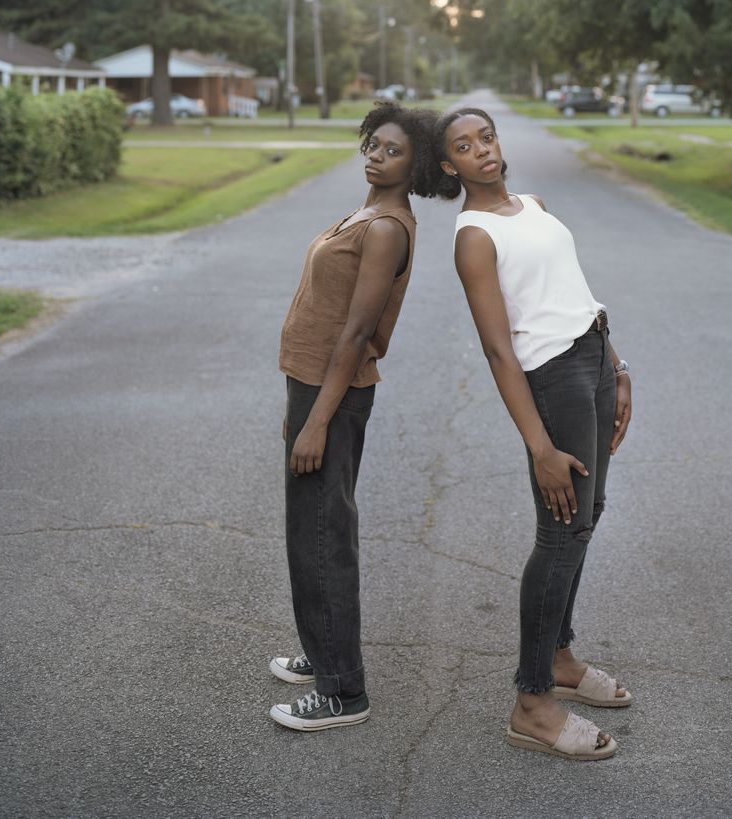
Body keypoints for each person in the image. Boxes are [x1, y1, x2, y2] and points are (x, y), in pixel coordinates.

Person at [431, 107, 634, 760]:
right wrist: (539, 446)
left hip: (594, 357)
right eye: (463, 146)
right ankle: (532, 700)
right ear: (447, 165)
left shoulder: (534, 204)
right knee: (563, 528)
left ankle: (562, 655)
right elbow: (498, 351)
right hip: (552, 378)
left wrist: (620, 368)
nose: (481, 151)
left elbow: (575, 286)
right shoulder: (473, 236)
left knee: (590, 510)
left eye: (485, 137)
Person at [269, 102, 438, 732]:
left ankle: (343, 691)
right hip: (314, 389)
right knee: (309, 528)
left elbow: (357, 331)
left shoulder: (389, 226)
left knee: (323, 536)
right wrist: (303, 409)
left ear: (415, 165)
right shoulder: (367, 210)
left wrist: (316, 421)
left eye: (394, 150)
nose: (377, 154)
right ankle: (322, 656)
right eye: (373, 143)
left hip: (332, 393)